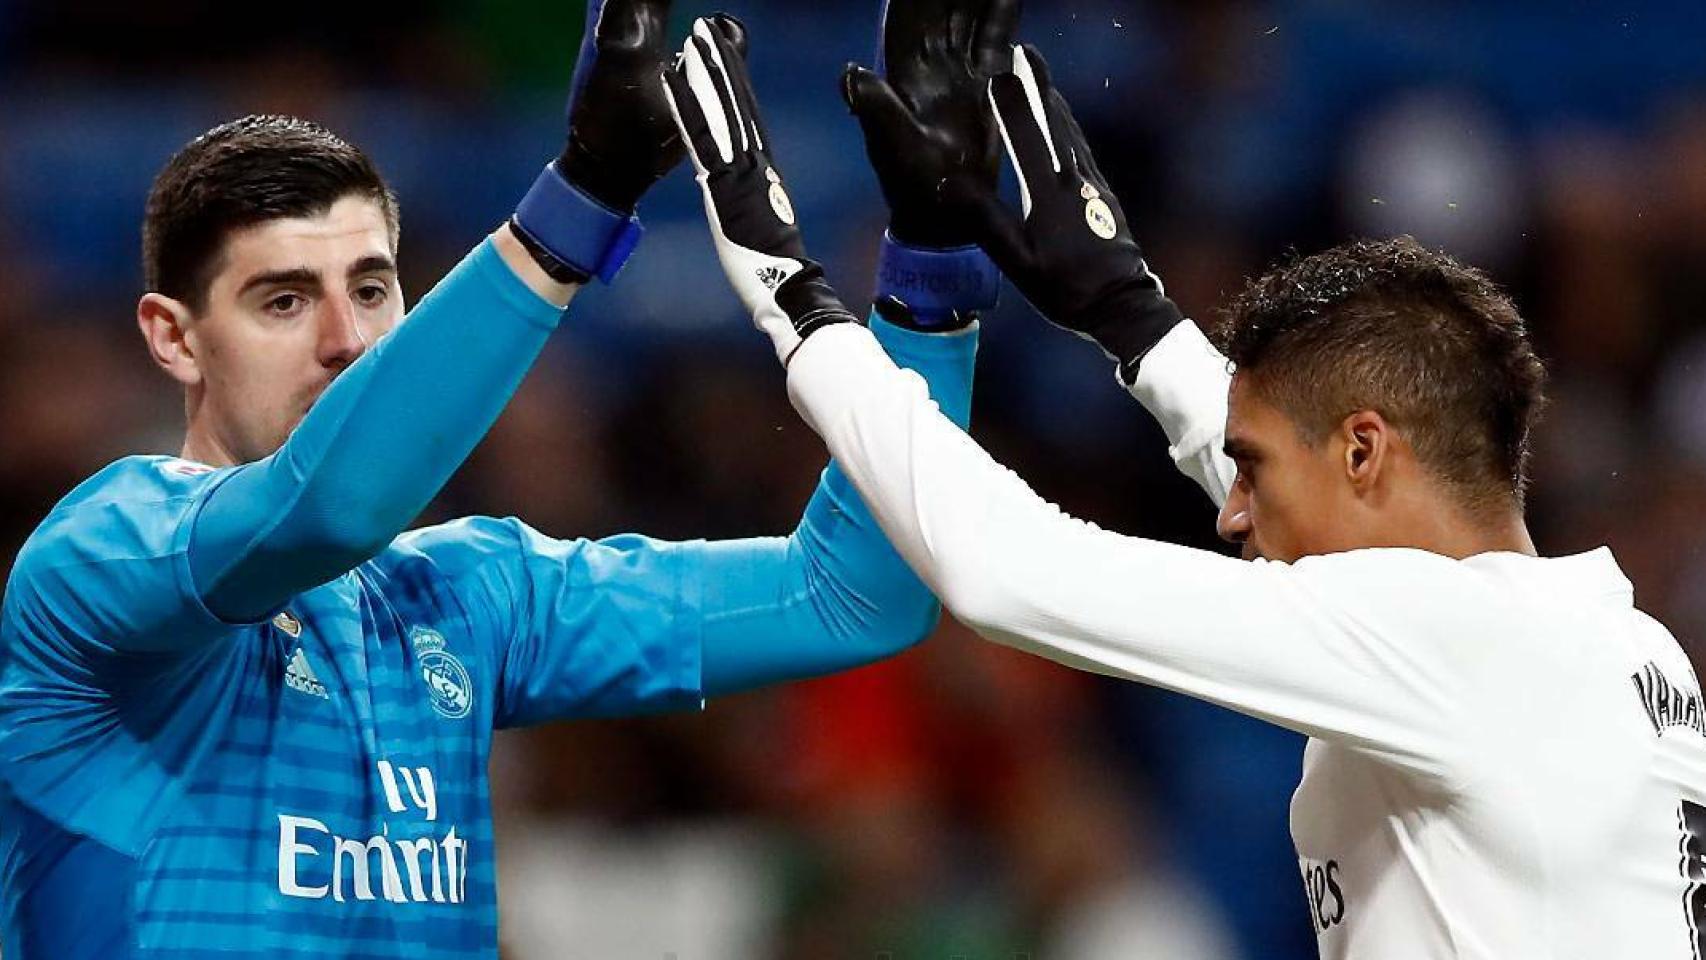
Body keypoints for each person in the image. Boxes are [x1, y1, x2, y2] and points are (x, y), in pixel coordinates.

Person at [668, 16, 1706, 960]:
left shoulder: (1443, 637)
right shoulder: (1619, 644)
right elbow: (1301, 476)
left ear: (1362, 451)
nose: (1230, 510)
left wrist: (793, 299)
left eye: (1251, 472)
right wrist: (1128, 312)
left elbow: (1001, 572)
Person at [0, 2, 981, 957]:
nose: (347, 343)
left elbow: (859, 597)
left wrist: (929, 273)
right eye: (284, 299)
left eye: (374, 291)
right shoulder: (101, 553)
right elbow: (329, 512)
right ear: (174, 338)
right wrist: (579, 203)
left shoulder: (468, 598)